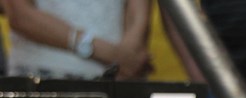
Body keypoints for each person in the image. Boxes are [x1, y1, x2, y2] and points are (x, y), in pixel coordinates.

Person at [2, 0, 151, 79]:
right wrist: (111, 54)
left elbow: (137, 13)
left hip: (119, 80)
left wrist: (129, 54)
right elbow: (20, 14)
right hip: (41, 76)